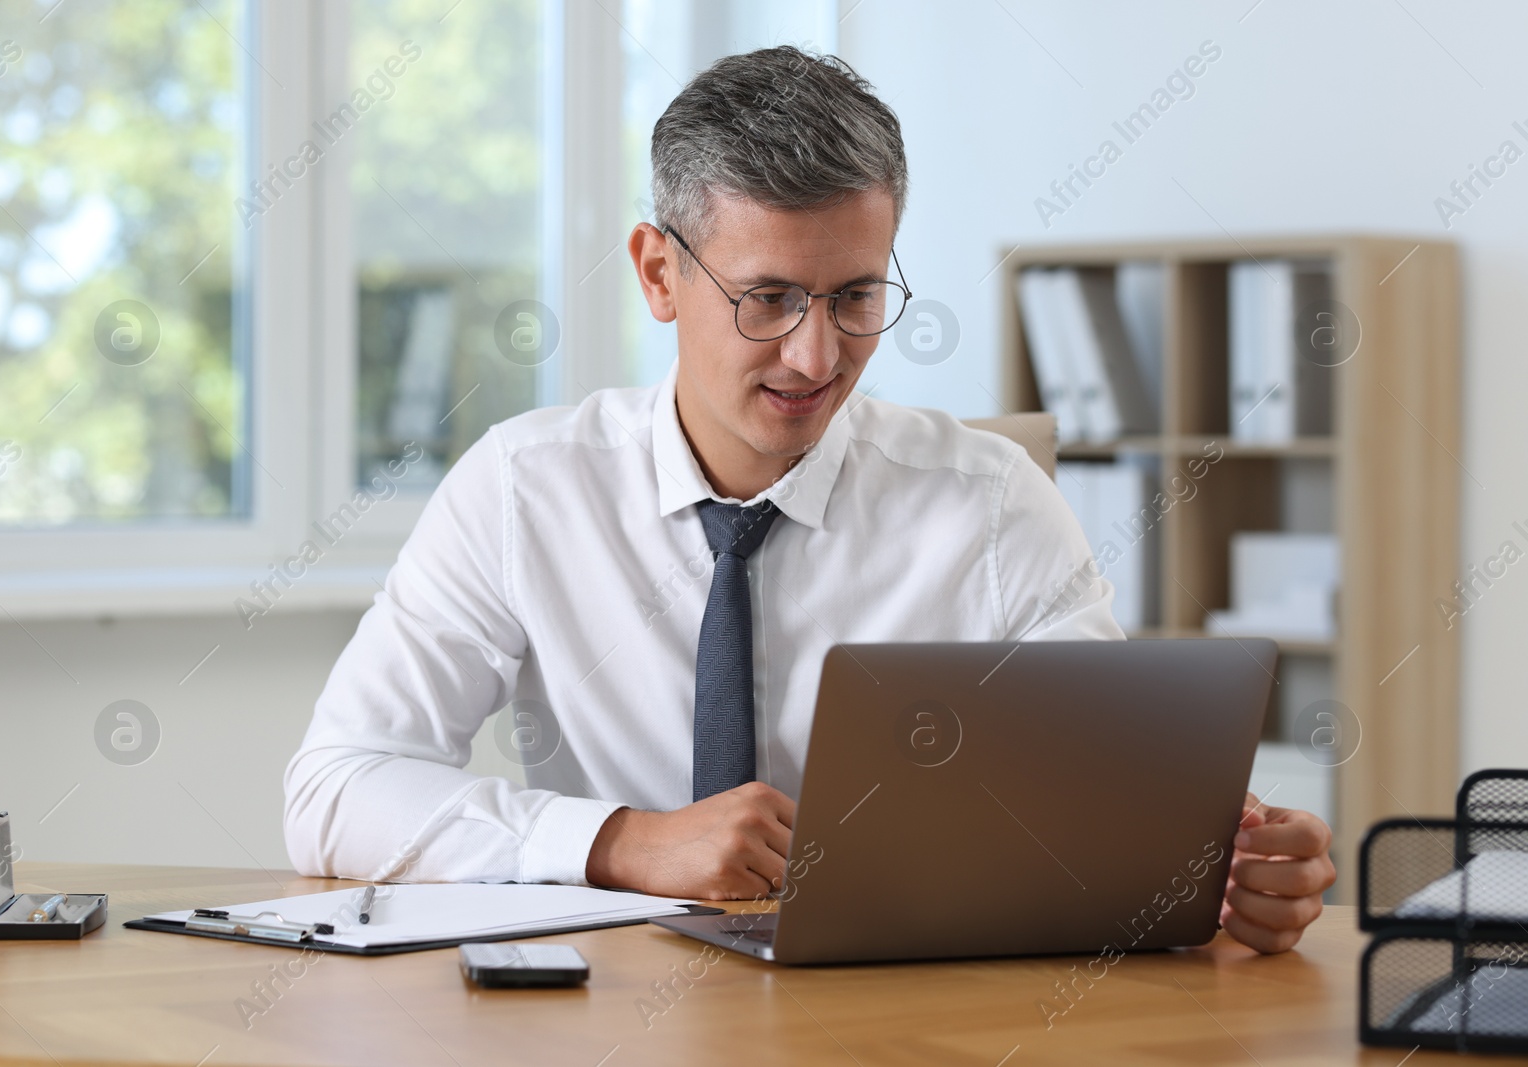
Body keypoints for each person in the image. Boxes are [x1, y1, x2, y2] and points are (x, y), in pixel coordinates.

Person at [284, 45, 1334, 955]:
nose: (815, 354)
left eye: (855, 296)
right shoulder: (523, 488)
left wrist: (1231, 875)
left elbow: (1112, 810)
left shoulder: (990, 507)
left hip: (908, 1019)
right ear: (659, 273)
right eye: (769, 298)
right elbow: (334, 788)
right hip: (609, 1004)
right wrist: (622, 839)